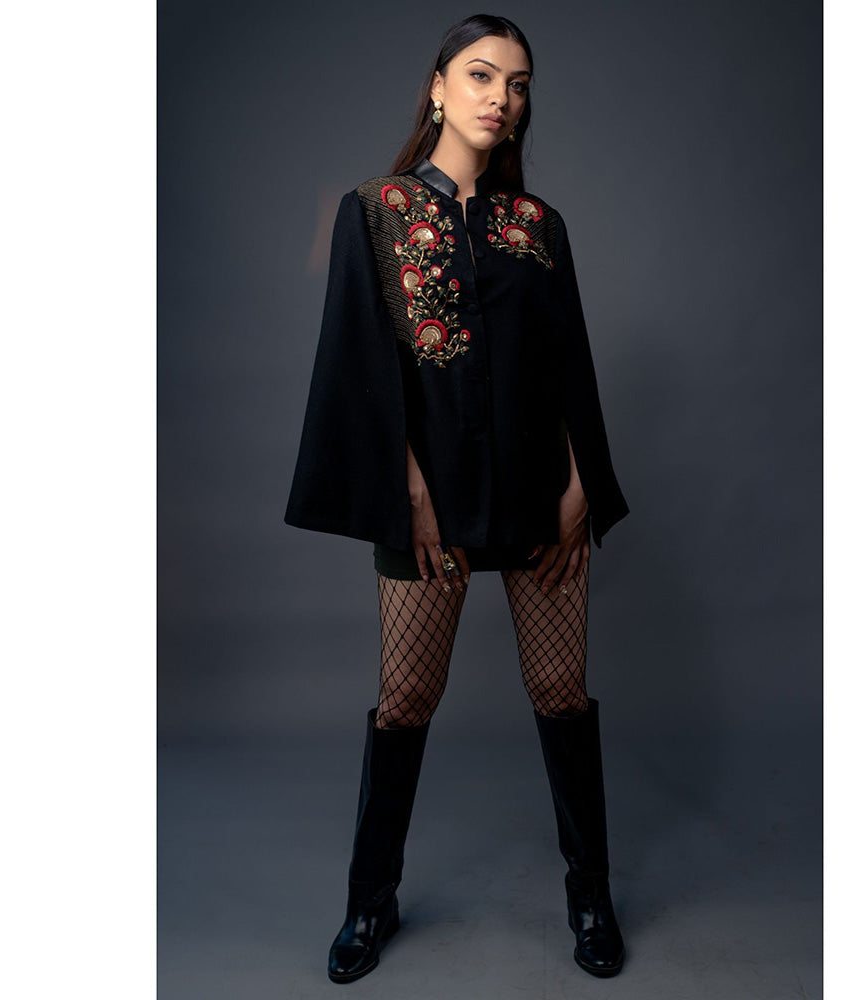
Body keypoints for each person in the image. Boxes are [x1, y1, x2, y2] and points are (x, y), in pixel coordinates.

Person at [284, 14, 630, 984]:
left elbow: (570, 369)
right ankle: (370, 900)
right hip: (425, 502)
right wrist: (409, 495)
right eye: (481, 76)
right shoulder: (376, 211)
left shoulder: (539, 227)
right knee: (405, 698)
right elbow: (359, 367)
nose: (500, 98)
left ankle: (590, 894)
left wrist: (580, 487)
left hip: (537, 496)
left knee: (559, 691)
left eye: (517, 84)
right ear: (437, 87)